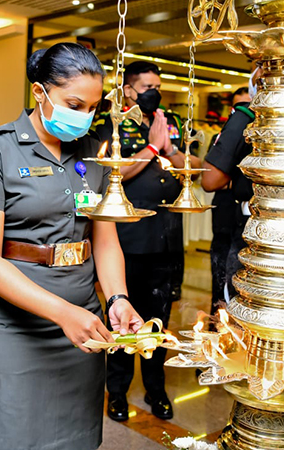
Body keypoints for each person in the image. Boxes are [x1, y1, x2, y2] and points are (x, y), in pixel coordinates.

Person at [0, 42, 143, 450]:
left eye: (92, 108)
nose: (84, 117)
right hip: (13, 326)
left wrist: (117, 299)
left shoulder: (93, 153)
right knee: (8, 435)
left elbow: (105, 240)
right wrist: (62, 313)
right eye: (74, 105)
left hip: (83, 324)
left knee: (73, 436)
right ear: (40, 92)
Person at [95, 60, 200, 422]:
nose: (154, 92)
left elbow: (191, 165)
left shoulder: (171, 120)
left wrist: (170, 151)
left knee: (159, 319)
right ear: (128, 90)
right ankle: (117, 391)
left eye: (158, 86)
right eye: (147, 87)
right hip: (127, 239)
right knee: (123, 317)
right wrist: (152, 148)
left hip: (166, 236)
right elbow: (113, 173)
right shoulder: (112, 121)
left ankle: (157, 389)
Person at [202, 85, 255, 315]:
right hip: (227, 212)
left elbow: (214, 178)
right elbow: (211, 179)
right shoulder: (223, 136)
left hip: (247, 220)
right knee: (223, 281)